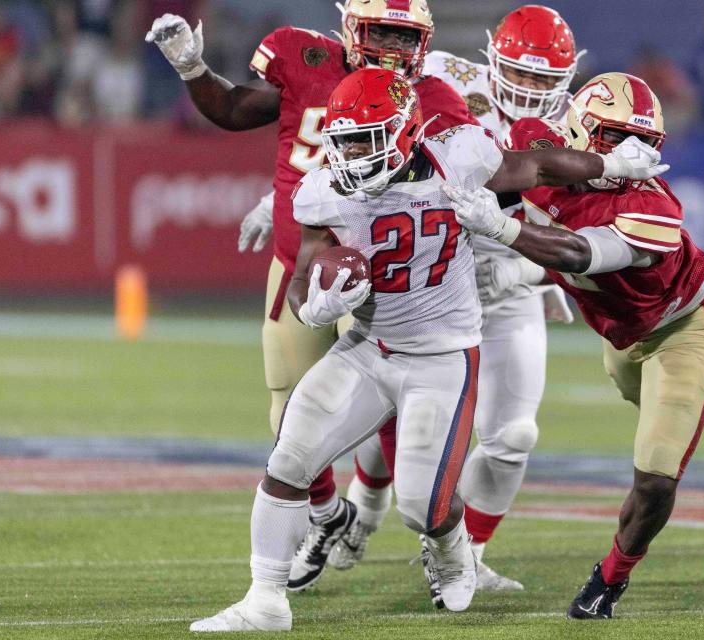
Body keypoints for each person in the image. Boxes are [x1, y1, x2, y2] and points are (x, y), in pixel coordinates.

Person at [186, 67, 669, 632]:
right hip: (369, 346)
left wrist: (612, 165)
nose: (353, 155)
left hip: (442, 357)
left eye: (368, 139)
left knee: (422, 505)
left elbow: (537, 164)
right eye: (343, 142)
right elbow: (302, 274)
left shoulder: (456, 157)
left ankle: (450, 546)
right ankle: (264, 600)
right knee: (290, 456)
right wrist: (314, 306)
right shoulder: (324, 187)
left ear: (406, 131)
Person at [447, 72, 704, 619]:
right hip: (622, 331)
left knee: (655, 475)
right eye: (615, 137)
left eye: (643, 143)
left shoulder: (654, 210)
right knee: (671, 399)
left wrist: (506, 241)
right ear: (576, 128)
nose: (630, 153)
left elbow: (579, 252)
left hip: (684, 322)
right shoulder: (539, 142)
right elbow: (507, 183)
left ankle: (608, 581)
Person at [145, 0, 479, 594]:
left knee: (401, 412)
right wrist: (193, 69)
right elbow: (234, 109)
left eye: (405, 37)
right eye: (380, 32)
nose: (393, 49)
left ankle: (436, 533)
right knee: (288, 410)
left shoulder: (432, 95)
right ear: (351, 27)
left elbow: (471, 173)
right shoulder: (307, 60)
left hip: (382, 267)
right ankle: (328, 519)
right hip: (302, 257)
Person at [329, 3, 583, 594]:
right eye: (518, 74)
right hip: (430, 270)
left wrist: (527, 277)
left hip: (507, 280)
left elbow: (585, 237)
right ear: (491, 57)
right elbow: (356, 135)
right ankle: (364, 505)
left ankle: (466, 553)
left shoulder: (578, 128)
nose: (526, 90)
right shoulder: (440, 77)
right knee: (391, 400)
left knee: (514, 435)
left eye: (543, 81)